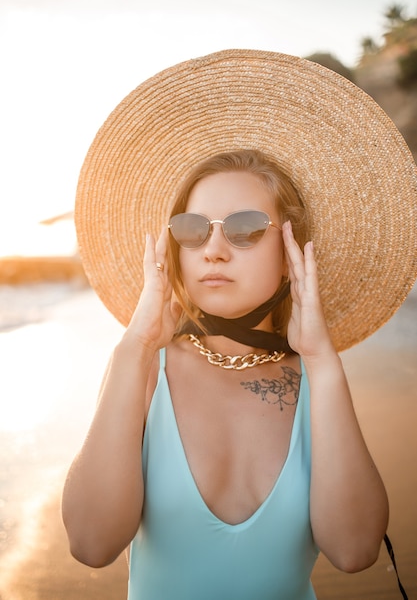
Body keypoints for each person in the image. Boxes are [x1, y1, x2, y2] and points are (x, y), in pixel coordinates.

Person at [62, 50, 417, 599]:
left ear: (291, 250)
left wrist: (323, 361)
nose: (215, 250)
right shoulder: (143, 369)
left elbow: (354, 550)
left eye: (248, 228)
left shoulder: (313, 380)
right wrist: (134, 346)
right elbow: (90, 543)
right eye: (192, 228)